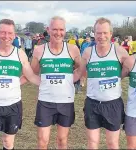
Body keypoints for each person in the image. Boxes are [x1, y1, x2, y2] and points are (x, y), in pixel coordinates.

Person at [0, 19, 41, 150]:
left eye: (9, 33)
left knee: (8, 142)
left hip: (13, 106)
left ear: (14, 35)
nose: (6, 36)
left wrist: (50, 83)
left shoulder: (19, 54)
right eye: (3, 32)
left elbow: (30, 76)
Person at [77, 17, 129, 149]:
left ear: (111, 34)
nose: (102, 36)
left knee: (112, 144)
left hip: (113, 104)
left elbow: (132, 69)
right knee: (92, 144)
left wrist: (118, 77)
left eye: (105, 33)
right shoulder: (88, 52)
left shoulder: (120, 51)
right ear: (94, 33)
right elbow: (79, 73)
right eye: (98, 33)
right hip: (92, 103)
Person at [30, 16, 81, 149]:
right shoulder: (39, 50)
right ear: (48, 29)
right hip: (45, 101)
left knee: (62, 140)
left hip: (66, 101)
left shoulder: (73, 49)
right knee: (42, 141)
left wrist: (73, 79)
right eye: (55, 29)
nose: (58, 33)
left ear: (65, 30)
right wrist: (41, 82)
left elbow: (81, 69)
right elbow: (32, 72)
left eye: (61, 29)